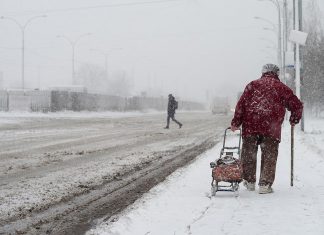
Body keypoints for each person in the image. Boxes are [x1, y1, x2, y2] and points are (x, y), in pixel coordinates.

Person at [231, 64, 303, 194]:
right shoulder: (281, 87)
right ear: (276, 73)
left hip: (250, 125)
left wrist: (236, 122)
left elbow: (241, 105)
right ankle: (265, 184)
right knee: (269, 155)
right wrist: (294, 119)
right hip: (271, 127)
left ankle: (249, 181)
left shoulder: (252, 85)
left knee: (249, 154)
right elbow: (297, 105)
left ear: (263, 72)